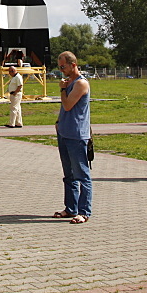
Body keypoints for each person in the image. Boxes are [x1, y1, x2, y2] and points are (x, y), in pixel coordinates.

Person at [53, 51, 92, 224]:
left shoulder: (80, 84)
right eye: (59, 67)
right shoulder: (68, 82)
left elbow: (68, 105)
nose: (61, 70)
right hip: (64, 132)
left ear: (73, 65)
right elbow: (64, 109)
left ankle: (84, 212)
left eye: (63, 67)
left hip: (77, 135)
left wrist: (62, 89)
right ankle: (70, 208)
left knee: (81, 174)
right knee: (68, 175)